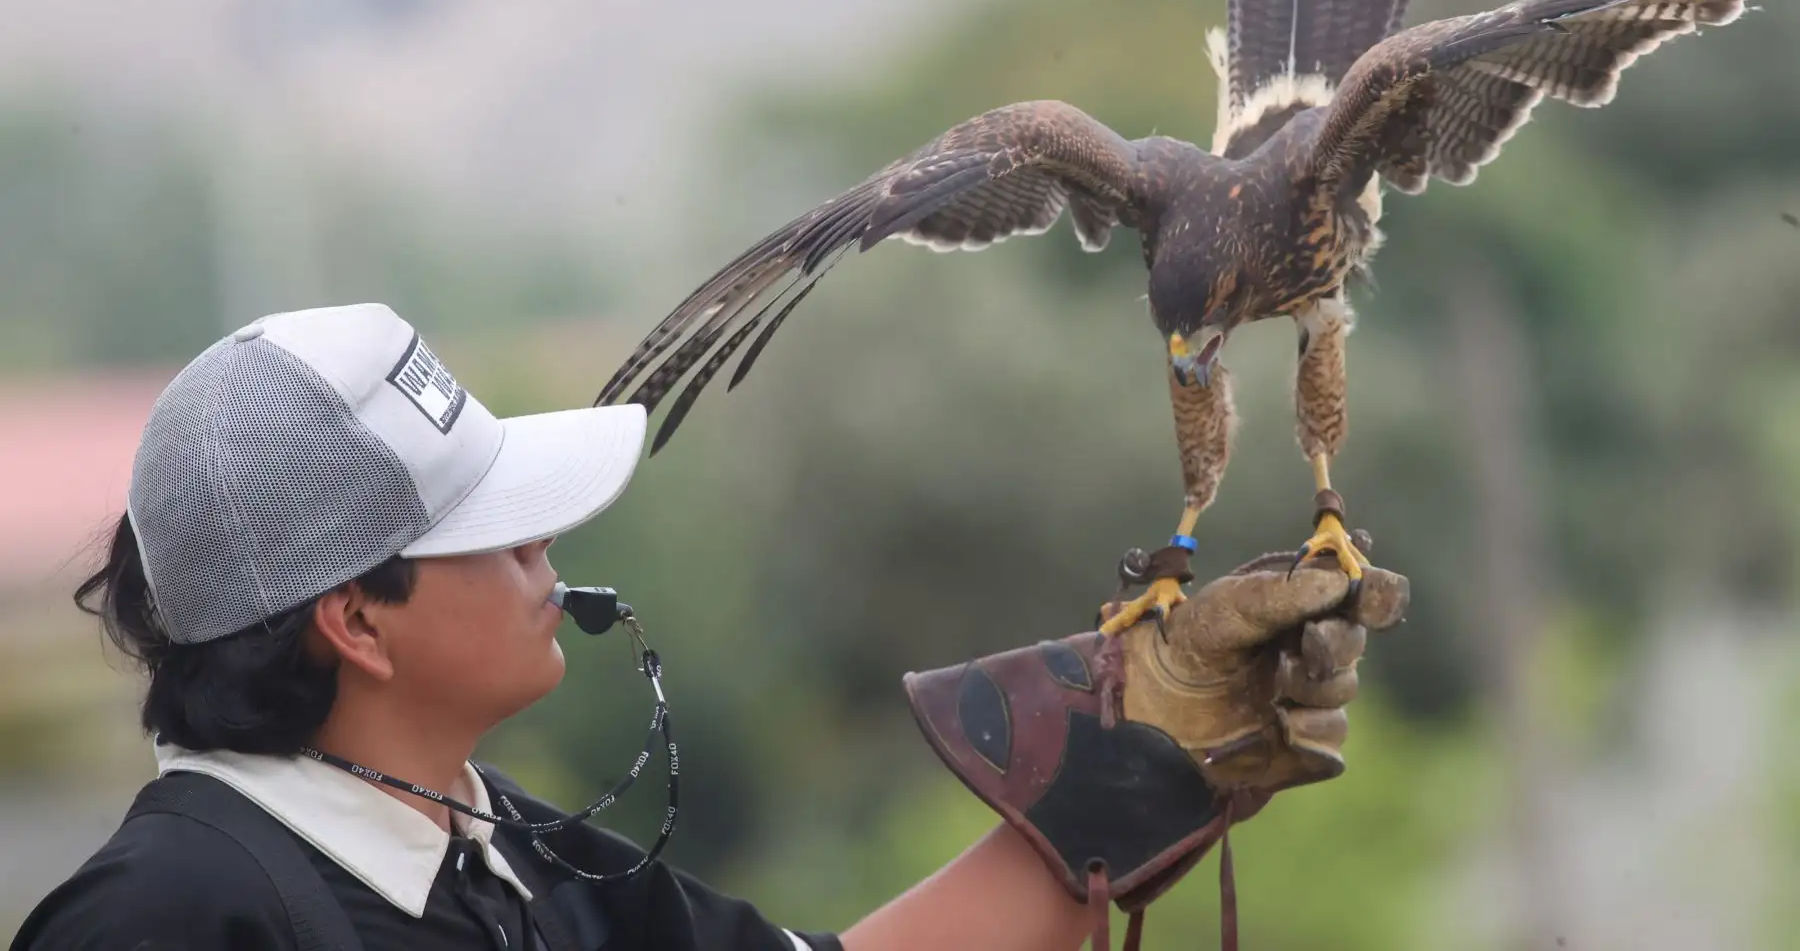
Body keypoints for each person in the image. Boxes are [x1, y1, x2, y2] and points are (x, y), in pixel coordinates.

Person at [12, 302, 1407, 951]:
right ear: (355, 626)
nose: (545, 555)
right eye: (495, 536)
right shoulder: (166, 921)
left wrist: (1149, 751)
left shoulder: (509, 863)